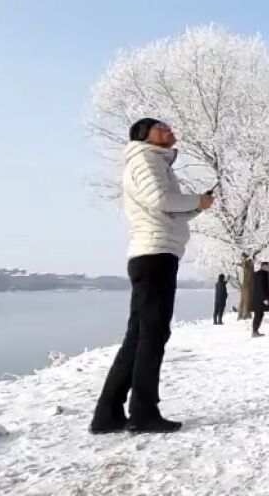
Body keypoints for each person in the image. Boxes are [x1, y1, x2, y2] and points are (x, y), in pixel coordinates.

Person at [91, 118, 212, 435]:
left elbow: (169, 208)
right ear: (143, 135)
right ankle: (143, 413)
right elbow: (161, 200)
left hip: (154, 254)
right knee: (152, 336)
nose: (170, 131)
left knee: (139, 336)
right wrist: (195, 201)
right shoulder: (145, 158)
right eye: (162, 128)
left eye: (171, 127)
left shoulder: (155, 162)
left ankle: (107, 414)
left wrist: (199, 205)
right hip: (155, 254)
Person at [251, 261, 269, 337]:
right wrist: (265, 298)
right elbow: (261, 287)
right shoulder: (262, 275)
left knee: (259, 314)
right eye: (268, 267)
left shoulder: (260, 274)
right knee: (259, 314)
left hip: (257, 299)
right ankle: (255, 331)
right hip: (260, 299)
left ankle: (255, 330)